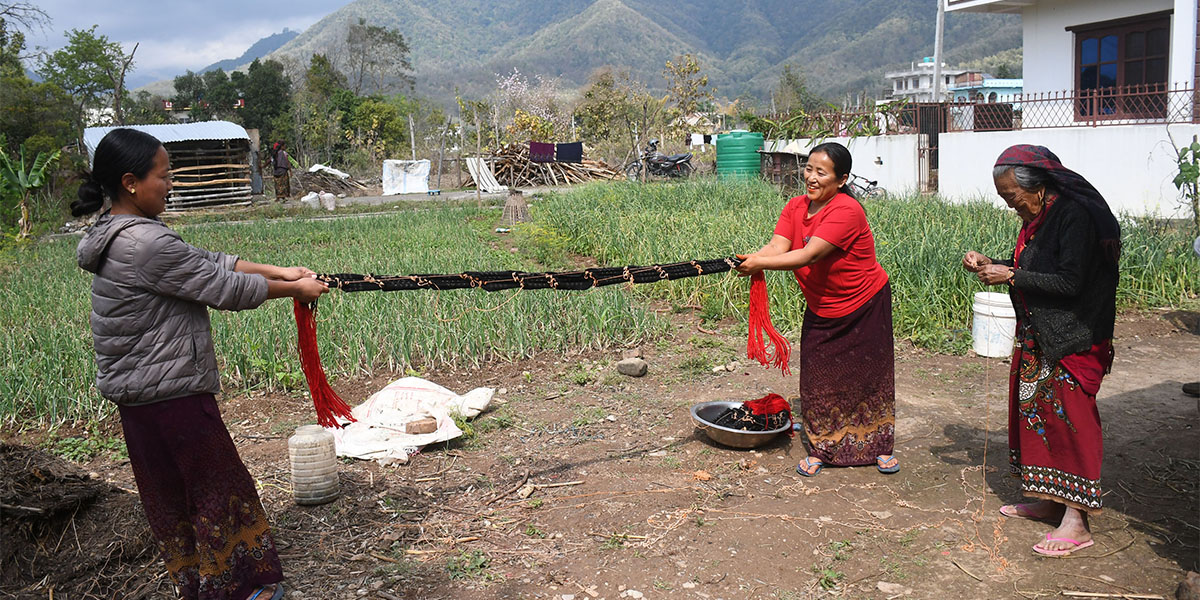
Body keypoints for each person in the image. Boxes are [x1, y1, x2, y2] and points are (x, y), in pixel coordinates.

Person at [71, 128, 329, 599]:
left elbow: (209, 262)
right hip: (174, 395)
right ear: (131, 182)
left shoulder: (117, 235)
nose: (171, 185)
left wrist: (279, 271)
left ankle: (197, 585)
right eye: (164, 176)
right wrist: (296, 289)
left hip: (139, 397)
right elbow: (223, 287)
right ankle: (243, 589)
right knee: (217, 488)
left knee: (170, 495)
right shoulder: (146, 244)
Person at [962, 144, 1120, 557]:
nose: (1011, 206)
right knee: (1041, 422)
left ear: (1040, 187)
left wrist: (1011, 274)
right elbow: (1036, 269)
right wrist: (991, 262)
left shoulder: (1074, 217)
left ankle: (1077, 521)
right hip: (1041, 337)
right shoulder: (1040, 217)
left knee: (1071, 426)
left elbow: (1070, 282)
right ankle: (1052, 502)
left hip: (1073, 339)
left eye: (1012, 197)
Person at [735, 141, 897, 477]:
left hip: (865, 302)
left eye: (821, 172)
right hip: (823, 306)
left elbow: (810, 254)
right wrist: (755, 258)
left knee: (870, 377)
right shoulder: (795, 207)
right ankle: (823, 447)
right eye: (809, 168)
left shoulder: (847, 210)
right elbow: (779, 245)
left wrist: (761, 263)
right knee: (818, 379)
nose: (811, 177)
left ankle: (878, 447)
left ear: (841, 179)